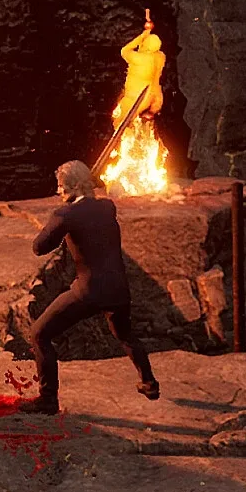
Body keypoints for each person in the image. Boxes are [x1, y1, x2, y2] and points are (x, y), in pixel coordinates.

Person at [25, 160, 159, 414]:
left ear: (74, 186)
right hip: (118, 288)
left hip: (88, 291)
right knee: (125, 334)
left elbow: (39, 247)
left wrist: (58, 221)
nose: (58, 191)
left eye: (61, 186)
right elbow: (91, 218)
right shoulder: (107, 207)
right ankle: (149, 384)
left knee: (39, 334)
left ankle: (48, 399)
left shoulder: (65, 215)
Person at [114, 10, 166, 124]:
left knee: (119, 121)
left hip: (137, 98)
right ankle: (149, 115)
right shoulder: (161, 57)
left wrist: (142, 36)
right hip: (155, 98)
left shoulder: (139, 58)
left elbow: (124, 50)